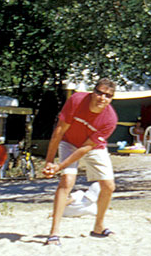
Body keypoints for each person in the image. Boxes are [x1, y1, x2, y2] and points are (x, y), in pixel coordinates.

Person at [42, 78, 119, 245]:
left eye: (108, 96)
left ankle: (98, 227)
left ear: (111, 99)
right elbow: (59, 131)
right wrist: (49, 162)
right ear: (92, 92)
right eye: (99, 93)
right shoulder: (77, 100)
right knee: (66, 182)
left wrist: (59, 166)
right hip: (69, 142)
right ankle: (54, 233)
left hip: (92, 147)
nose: (102, 98)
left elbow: (85, 148)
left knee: (108, 186)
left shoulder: (110, 120)